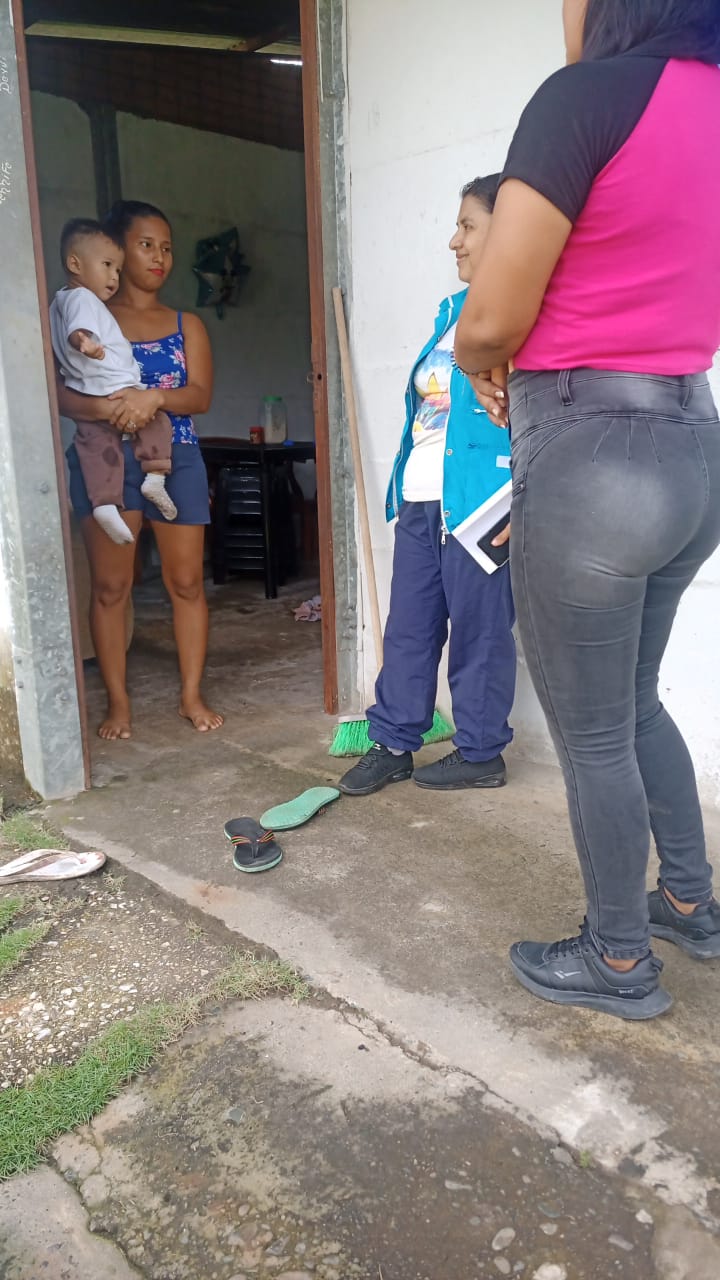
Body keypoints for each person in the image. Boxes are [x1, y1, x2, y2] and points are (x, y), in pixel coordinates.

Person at [454, 0, 720, 1019]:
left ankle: (616, 957)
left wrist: (478, 360)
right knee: (635, 700)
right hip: (693, 438)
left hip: (592, 452)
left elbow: (493, 314)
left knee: (592, 732)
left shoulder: (587, 99)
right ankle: (688, 900)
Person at [339, 176, 516, 798]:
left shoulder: (526, 315)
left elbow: (550, 415)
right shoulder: (451, 314)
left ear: (507, 230)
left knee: (480, 631)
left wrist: (528, 499)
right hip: (420, 499)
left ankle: (481, 752)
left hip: (485, 502)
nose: (454, 241)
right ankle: (392, 743)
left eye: (468, 225)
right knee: (409, 627)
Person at [57, 200, 223, 741]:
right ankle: (118, 703)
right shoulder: (83, 319)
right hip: (104, 459)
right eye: (145, 245)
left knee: (186, 582)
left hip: (177, 458)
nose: (159, 257)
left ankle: (191, 695)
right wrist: (106, 409)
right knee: (111, 586)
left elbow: (199, 396)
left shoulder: (184, 324)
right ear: (116, 251)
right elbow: (60, 395)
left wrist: (154, 398)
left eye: (166, 247)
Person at [51, 217, 177, 546]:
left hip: (88, 393)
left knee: (97, 448)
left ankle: (105, 504)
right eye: (107, 265)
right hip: (114, 388)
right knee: (159, 423)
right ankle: (155, 476)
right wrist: (84, 342)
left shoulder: (58, 302)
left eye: (118, 270)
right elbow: (78, 329)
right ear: (75, 264)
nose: (114, 277)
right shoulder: (83, 299)